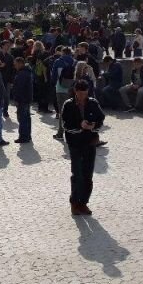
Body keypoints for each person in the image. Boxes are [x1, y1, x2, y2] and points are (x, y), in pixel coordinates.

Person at [61, 80, 105, 216]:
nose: (82, 97)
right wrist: (80, 126)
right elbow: (65, 125)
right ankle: (74, 203)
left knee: (88, 175)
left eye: (85, 94)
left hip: (90, 143)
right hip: (75, 144)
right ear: (75, 92)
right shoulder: (68, 105)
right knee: (77, 174)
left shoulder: (93, 103)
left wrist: (94, 126)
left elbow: (101, 118)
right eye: (80, 94)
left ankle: (83, 203)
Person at [10, 57, 34, 144]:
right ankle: (27, 135)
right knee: (27, 118)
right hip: (26, 98)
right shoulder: (26, 72)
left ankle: (23, 137)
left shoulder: (22, 74)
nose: (14, 66)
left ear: (20, 63)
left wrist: (16, 99)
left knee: (22, 118)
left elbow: (19, 88)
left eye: (15, 64)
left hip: (22, 99)